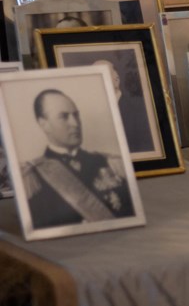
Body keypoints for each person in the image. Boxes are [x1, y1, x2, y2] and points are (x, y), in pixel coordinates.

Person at [21, 89, 135, 229]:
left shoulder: (111, 163)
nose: (75, 123)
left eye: (76, 115)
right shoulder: (31, 177)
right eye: (64, 116)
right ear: (44, 124)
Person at [94, 59, 154, 153]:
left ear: (116, 79)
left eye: (101, 74)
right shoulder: (91, 111)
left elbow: (146, 149)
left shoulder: (139, 109)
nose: (96, 80)